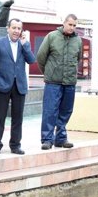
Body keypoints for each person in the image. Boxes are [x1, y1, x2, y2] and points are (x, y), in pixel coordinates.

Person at [0, 18, 36, 155]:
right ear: (8, 28)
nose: (16, 31)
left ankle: (15, 145)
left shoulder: (24, 44)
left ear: (21, 31)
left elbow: (31, 60)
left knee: (18, 117)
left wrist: (25, 44)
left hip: (19, 86)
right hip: (2, 85)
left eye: (19, 28)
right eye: (14, 28)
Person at [36, 13, 82, 150]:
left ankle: (61, 138)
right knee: (50, 110)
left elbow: (77, 59)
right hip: (53, 82)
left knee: (66, 110)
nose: (72, 27)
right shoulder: (52, 36)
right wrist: (48, 72)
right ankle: (47, 139)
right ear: (64, 23)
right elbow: (40, 57)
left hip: (69, 82)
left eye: (74, 25)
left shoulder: (78, 40)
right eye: (70, 24)